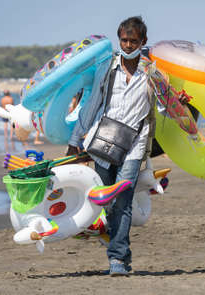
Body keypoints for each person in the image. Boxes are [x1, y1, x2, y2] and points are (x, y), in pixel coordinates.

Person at [67, 16, 156, 276]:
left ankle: (116, 259)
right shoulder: (108, 67)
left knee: (123, 200)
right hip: (104, 141)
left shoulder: (153, 72)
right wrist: (74, 142)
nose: (128, 45)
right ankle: (122, 252)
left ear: (143, 42)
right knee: (107, 200)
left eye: (134, 41)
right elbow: (92, 103)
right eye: (124, 40)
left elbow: (165, 105)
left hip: (134, 144)